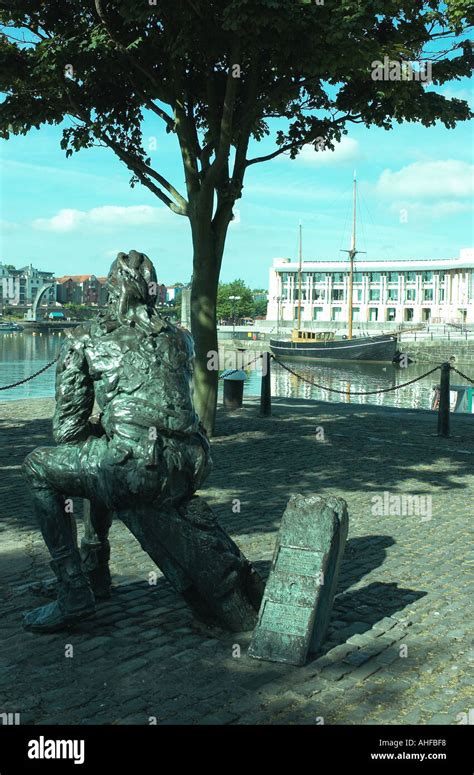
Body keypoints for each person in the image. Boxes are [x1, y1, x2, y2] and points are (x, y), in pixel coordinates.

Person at [22, 250, 211, 633]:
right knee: (99, 451)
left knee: (40, 466)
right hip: (193, 463)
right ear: (153, 291)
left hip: (140, 468)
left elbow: (67, 432)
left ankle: (73, 589)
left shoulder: (84, 339)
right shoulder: (182, 338)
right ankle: (94, 569)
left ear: (112, 292)